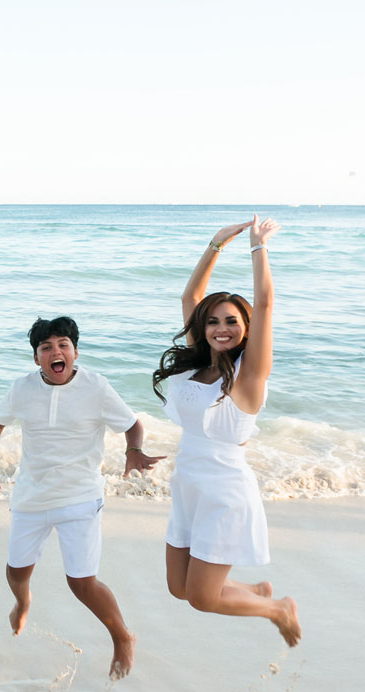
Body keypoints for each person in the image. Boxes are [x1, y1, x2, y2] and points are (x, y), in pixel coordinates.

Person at [0, 316, 163, 678]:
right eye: (46, 347)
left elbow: (132, 423)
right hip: (32, 494)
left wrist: (133, 449)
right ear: (36, 358)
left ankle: (122, 638)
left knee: (81, 582)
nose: (56, 352)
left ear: (75, 351)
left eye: (63, 345)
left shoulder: (96, 387)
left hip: (80, 495)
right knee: (16, 572)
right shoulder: (21, 388)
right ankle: (23, 602)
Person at [152, 215, 301, 646]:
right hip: (187, 486)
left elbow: (267, 303)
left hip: (224, 492)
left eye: (232, 321)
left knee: (201, 598)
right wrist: (216, 244)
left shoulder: (249, 375)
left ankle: (277, 607)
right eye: (214, 320)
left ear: (246, 328)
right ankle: (257, 594)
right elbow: (191, 295)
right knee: (179, 588)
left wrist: (257, 247)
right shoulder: (196, 366)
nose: (221, 327)